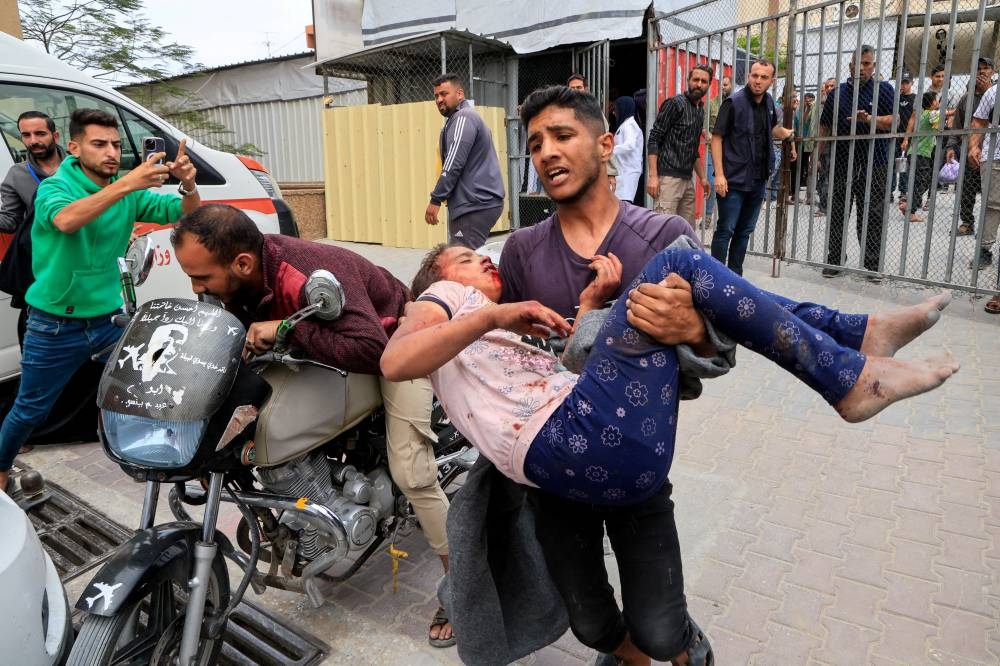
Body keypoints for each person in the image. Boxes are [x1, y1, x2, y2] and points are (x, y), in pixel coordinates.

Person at [383, 243, 958, 666]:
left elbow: (577, 368)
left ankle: (853, 343)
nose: (482, 260)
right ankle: (851, 350)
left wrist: (588, 304)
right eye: (464, 257)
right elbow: (395, 361)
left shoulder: (497, 337)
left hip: (595, 449)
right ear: (437, 278)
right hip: (575, 449)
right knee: (675, 263)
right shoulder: (444, 300)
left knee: (674, 271)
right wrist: (489, 312)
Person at [171, 204, 457, 647]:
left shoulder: (306, 272)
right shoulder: (234, 285)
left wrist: (283, 329)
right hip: (321, 353)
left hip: (399, 340)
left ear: (242, 264)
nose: (197, 288)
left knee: (411, 471)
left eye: (202, 278)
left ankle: (459, 589)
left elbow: (371, 349)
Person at [0, 108, 199, 493]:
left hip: (109, 321)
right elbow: (66, 221)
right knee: (30, 410)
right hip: (55, 325)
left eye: (115, 144)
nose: (111, 152)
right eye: (99, 144)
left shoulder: (125, 188)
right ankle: (1, 468)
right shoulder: (54, 187)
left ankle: (178, 464)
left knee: (152, 388)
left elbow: (182, 215)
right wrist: (128, 185)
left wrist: (188, 187)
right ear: (73, 147)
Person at [711, 59, 794, 276]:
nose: (758, 81)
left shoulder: (768, 103)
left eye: (764, 77)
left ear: (772, 80)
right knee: (725, 229)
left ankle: (736, 277)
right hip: (733, 180)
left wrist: (783, 133)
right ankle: (715, 277)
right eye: (754, 75)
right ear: (749, 76)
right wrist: (719, 175)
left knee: (744, 231)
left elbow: (770, 128)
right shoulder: (733, 103)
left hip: (758, 179)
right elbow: (717, 137)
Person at [819, 45, 895, 277]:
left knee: (872, 212)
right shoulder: (837, 93)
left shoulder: (883, 90)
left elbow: (894, 121)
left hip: (876, 161)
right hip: (842, 160)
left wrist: (869, 119)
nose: (862, 68)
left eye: (867, 64)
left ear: (873, 66)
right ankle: (835, 259)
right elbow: (824, 126)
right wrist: (818, 154)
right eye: (858, 64)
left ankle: (872, 264)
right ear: (850, 65)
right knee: (838, 210)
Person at [0, 111, 66, 345]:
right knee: (34, 323)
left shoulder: (80, 166)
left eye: (40, 133)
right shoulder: (17, 175)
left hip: (82, 257)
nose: (33, 140)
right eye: (26, 135)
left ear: (55, 134)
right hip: (40, 264)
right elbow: (10, 221)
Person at [425, 73, 505, 250]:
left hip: (475, 204)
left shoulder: (463, 118)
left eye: (444, 94)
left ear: (459, 94)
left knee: (462, 259)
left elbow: (453, 163)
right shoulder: (456, 120)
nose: (439, 99)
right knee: (467, 256)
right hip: (475, 202)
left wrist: (436, 199)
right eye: (436, 96)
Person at [646, 65, 712, 224]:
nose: (699, 84)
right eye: (696, 79)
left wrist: (703, 178)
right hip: (668, 178)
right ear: (688, 81)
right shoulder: (675, 104)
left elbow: (693, 149)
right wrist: (653, 176)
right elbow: (654, 138)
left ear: (709, 85)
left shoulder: (699, 111)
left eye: (704, 81)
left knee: (686, 232)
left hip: (687, 179)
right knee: (662, 230)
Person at [947, 57, 995, 237]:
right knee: (966, 189)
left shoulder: (996, 94)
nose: (982, 72)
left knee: (991, 195)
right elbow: (957, 126)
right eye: (978, 69)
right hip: (969, 153)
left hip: (991, 153)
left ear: (992, 72)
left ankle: (987, 228)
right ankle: (967, 222)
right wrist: (952, 146)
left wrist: (989, 91)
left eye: (986, 68)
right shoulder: (966, 99)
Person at [969, 81, 1000, 311]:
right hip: (996, 158)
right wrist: (973, 145)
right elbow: (979, 120)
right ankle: (985, 249)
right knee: (992, 208)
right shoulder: (995, 90)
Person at [567, 72, 620, 191]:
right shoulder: (561, 112)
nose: (576, 91)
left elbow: (605, 140)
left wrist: (610, 173)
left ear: (585, 89)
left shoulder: (593, 111)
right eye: (572, 88)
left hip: (591, 166)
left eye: (579, 87)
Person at [907, 91, 941, 223]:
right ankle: (911, 210)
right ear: (932, 102)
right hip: (922, 153)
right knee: (923, 182)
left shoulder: (922, 114)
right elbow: (941, 120)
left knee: (917, 181)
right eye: (937, 100)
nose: (938, 102)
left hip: (915, 152)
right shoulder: (932, 113)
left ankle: (908, 204)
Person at [705, 75, 733, 226]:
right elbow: (704, 125)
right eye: (722, 85)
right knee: (711, 181)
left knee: (729, 185)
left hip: (730, 153)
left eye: (726, 85)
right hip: (712, 150)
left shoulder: (735, 104)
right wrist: (708, 135)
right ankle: (708, 215)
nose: (724, 87)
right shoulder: (711, 104)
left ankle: (725, 219)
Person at [611, 96, 643, 201]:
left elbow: (630, 145)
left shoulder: (630, 125)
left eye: (616, 109)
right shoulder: (625, 124)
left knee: (624, 203)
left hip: (629, 172)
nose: (614, 113)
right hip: (623, 171)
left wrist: (611, 150)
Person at [894, 72, 917, 208]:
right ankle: (889, 190)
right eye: (902, 82)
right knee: (891, 163)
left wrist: (907, 138)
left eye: (906, 82)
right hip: (895, 135)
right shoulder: (895, 98)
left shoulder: (915, 98)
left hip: (908, 136)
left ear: (911, 83)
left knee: (904, 164)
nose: (904, 85)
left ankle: (903, 191)